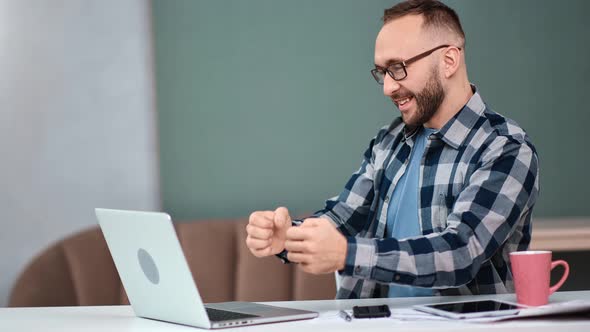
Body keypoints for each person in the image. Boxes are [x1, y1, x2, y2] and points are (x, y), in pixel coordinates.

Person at [245, 0, 539, 299]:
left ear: (449, 60)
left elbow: (462, 252)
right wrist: (286, 237)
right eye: (382, 72)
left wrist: (348, 254)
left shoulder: (505, 148)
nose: (387, 87)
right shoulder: (389, 140)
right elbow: (343, 217)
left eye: (398, 68)